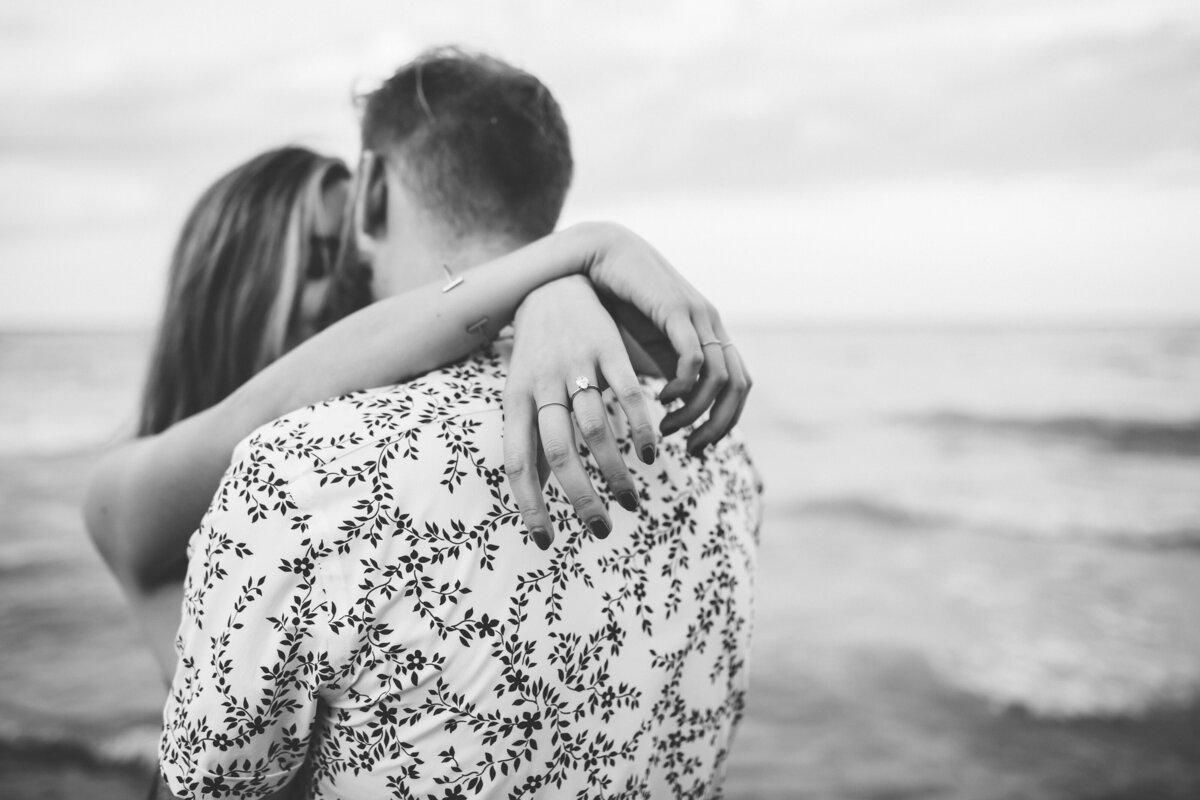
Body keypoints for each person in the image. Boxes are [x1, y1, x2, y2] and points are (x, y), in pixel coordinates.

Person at [158, 48, 761, 799]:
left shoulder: (304, 476)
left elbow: (212, 787)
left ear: (371, 187)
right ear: (548, 197)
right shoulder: (720, 458)